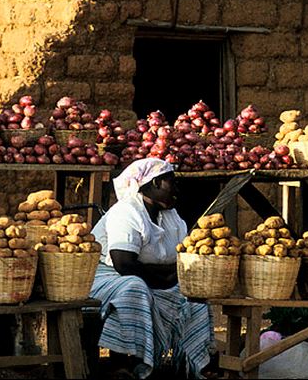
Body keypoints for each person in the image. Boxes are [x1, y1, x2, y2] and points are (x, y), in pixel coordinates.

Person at [89, 158, 214, 380]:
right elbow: (123, 263)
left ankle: (195, 363)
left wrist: (172, 276)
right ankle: (123, 362)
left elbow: (182, 256)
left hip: (155, 275)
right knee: (133, 288)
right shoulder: (127, 211)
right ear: (155, 183)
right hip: (107, 276)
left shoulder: (171, 215)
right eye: (171, 183)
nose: (176, 189)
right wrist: (165, 278)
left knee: (195, 297)